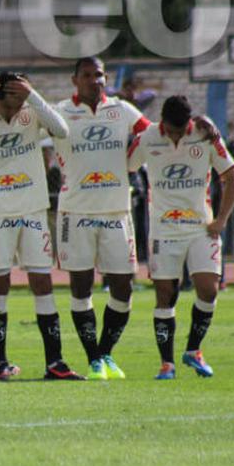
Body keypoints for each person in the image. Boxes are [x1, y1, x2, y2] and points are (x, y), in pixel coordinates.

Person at [0, 72, 83, 380]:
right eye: (14, 96)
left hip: (32, 210)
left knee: (42, 282)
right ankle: (0, 363)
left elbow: (62, 129)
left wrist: (33, 95)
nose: (19, 104)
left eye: (23, 96)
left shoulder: (32, 112)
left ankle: (55, 362)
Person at [51, 56, 152, 380]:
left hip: (116, 211)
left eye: (99, 75)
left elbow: (153, 135)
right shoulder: (61, 111)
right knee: (81, 288)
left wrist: (196, 125)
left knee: (124, 288)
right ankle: (95, 359)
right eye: (87, 75)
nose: (95, 80)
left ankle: (105, 352)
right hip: (75, 212)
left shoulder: (121, 109)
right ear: (74, 79)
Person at [128, 95, 234, 379]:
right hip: (163, 229)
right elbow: (125, 166)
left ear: (190, 122)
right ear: (162, 122)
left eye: (182, 130)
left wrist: (222, 219)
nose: (177, 135)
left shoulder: (205, 134)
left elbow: (231, 176)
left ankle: (193, 350)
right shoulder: (148, 137)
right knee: (165, 293)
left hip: (201, 228)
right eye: (172, 130)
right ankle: (167, 364)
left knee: (208, 289)